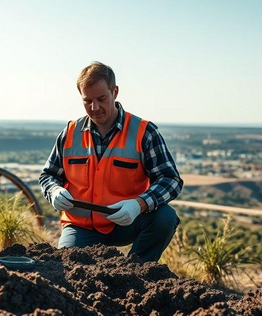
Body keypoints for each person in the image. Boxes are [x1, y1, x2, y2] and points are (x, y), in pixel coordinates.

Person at [39, 61, 183, 263]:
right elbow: (48, 175)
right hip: (81, 226)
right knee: (67, 269)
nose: (94, 107)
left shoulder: (144, 132)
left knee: (165, 217)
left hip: (127, 221)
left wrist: (138, 205)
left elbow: (171, 180)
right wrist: (53, 190)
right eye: (87, 101)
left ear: (115, 92)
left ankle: (137, 272)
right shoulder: (70, 132)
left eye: (101, 98)